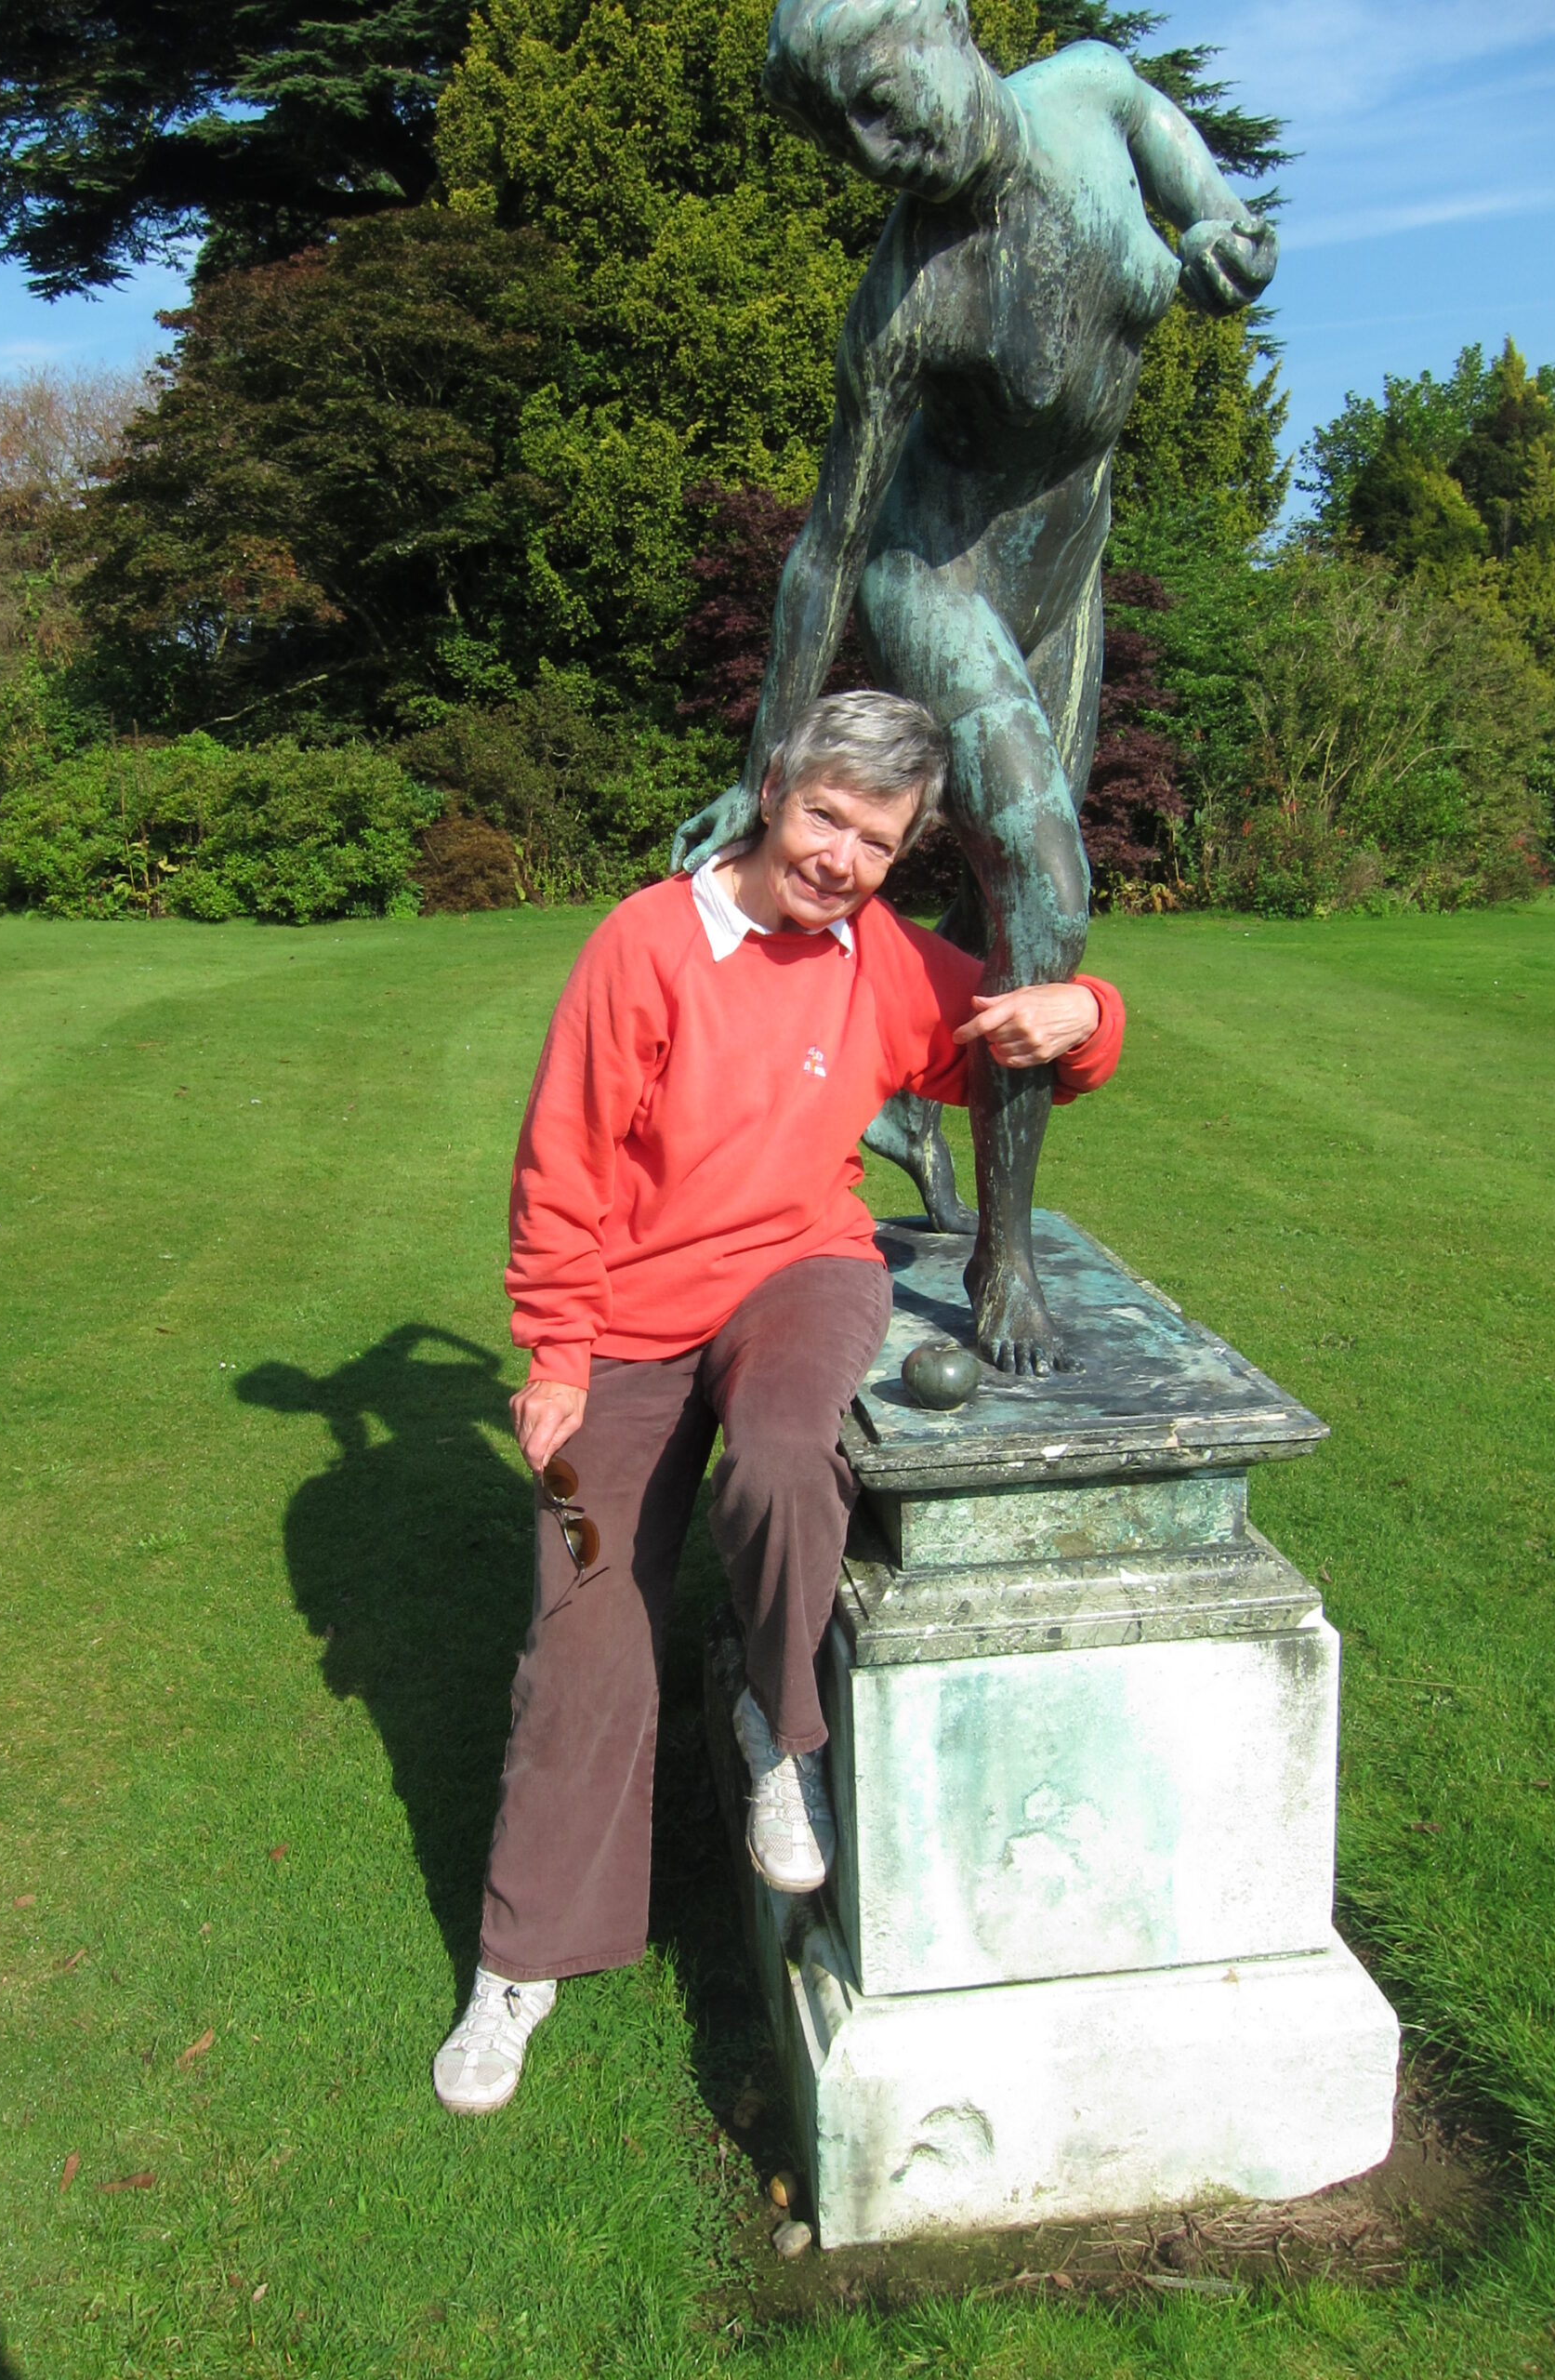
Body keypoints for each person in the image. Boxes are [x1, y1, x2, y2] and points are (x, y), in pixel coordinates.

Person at [432, 691, 1126, 2115]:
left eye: (878, 841)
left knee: (785, 1451)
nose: (841, 860)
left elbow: (1011, 1042)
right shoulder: (647, 944)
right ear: (771, 794)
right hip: (625, 1324)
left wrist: (1090, 1015)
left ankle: (777, 1724)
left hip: (802, 1273)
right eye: (825, 817)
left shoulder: (881, 957)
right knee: (580, 1614)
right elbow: (563, 1162)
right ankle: (522, 1960)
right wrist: (556, 1356)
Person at [671, 0, 1275, 1374]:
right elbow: (826, 550)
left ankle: (897, 1089)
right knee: (1051, 884)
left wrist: (1227, 247)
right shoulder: (908, 298)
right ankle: (1005, 1252)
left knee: (991, 902)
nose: (877, 147)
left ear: (950, 26)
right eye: (844, 135)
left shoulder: (1099, 94)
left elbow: (1216, 229)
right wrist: (768, 778)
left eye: (881, 96)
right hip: (931, 575)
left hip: (1063, 572)